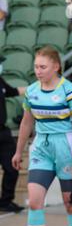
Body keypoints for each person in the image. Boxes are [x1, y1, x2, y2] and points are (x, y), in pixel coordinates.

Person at [12, 46, 72, 226]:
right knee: (35, 201)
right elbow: (26, 123)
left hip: (65, 148)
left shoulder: (70, 91)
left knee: (70, 203)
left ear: (56, 66)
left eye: (43, 67)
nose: (38, 71)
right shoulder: (32, 91)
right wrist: (18, 151)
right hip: (41, 148)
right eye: (36, 66)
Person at [0, 60, 26, 213]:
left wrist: (35, 88)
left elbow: (13, 91)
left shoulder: (0, 81)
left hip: (3, 132)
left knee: (12, 167)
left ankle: (6, 201)